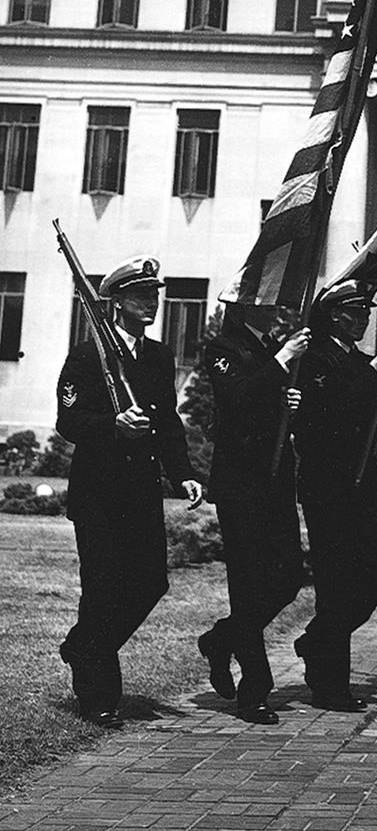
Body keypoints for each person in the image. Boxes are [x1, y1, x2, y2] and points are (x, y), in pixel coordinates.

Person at [56, 255, 203, 728]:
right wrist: (114, 426)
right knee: (101, 589)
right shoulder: (86, 355)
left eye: (155, 293)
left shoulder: (158, 356)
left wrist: (182, 474)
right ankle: (98, 695)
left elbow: (168, 422)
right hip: (98, 493)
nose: (152, 302)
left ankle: (83, 647)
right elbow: (69, 422)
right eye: (141, 294)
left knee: (150, 583)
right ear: (116, 301)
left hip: (141, 492)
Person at [195, 302, 310, 725]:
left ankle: (221, 638)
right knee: (247, 583)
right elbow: (238, 397)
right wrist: (282, 363)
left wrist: (289, 401)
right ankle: (254, 691)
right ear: (245, 308)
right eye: (264, 303)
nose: (275, 309)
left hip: (276, 477)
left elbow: (267, 402)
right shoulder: (223, 348)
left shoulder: (274, 350)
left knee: (288, 575)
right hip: (240, 481)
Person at [291, 282, 377, 711]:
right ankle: (329, 684)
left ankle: (317, 640)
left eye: (366, 312)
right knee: (335, 582)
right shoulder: (317, 359)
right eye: (356, 312)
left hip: (363, 482)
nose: (365, 318)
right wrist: (373, 376)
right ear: (336, 315)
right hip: (328, 483)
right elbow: (324, 419)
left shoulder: (359, 362)